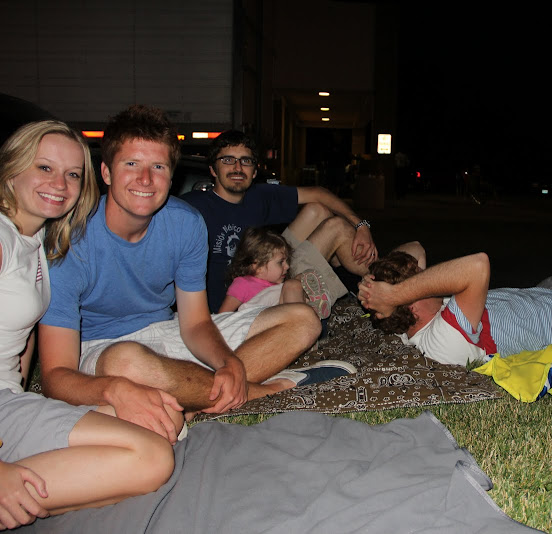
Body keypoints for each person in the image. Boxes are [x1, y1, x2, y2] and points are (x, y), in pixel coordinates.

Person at [38, 105, 350, 444]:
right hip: (104, 350)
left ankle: (196, 397)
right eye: (131, 164)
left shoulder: (185, 223)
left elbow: (196, 324)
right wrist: (113, 389)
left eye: (158, 167)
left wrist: (227, 362)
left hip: (169, 335)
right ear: (106, 172)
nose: (146, 179)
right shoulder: (70, 240)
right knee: (124, 362)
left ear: (171, 177)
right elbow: (55, 376)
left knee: (303, 319)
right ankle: (265, 390)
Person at [0, 120, 174, 529]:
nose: (59, 184)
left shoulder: (37, 242)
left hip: (9, 402)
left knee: (161, 416)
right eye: (44, 168)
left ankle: (20, 492)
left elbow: (20, 345)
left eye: (73, 174)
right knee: (152, 456)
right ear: (11, 170)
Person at [357, 202, 552, 366]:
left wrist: (374, 282)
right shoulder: (441, 342)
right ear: (411, 305)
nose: (424, 276)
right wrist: (395, 294)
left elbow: (415, 248)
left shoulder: (411, 315)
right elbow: (478, 265)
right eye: (417, 280)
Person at [181, 130, 378, 313]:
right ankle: (382, 285)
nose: (238, 168)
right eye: (228, 160)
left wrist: (361, 225)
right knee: (338, 228)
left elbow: (318, 193)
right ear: (213, 169)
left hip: (270, 278)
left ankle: (375, 282)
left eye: (246, 161)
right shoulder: (192, 207)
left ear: (254, 171)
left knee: (318, 210)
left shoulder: (258, 196)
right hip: (238, 305)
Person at [218, 226, 332, 319]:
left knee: (295, 283)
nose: (287, 266)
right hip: (260, 323)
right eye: (281, 262)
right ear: (258, 267)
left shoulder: (279, 286)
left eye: (286, 261)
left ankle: (313, 304)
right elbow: (222, 317)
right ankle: (306, 314)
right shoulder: (243, 284)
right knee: (292, 284)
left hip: (285, 318)